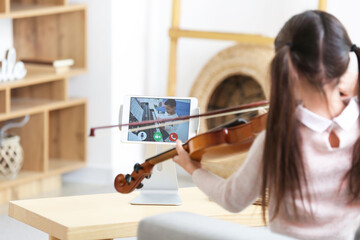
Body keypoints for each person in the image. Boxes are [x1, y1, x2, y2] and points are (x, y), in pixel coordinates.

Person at [173, 10, 360, 240]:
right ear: (344, 62)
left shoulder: (278, 139)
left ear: (288, 70)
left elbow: (232, 199)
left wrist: (193, 169)